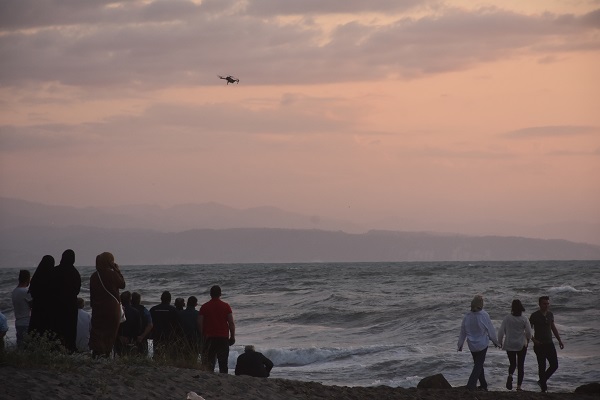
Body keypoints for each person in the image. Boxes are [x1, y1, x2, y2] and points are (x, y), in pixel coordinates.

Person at [457, 295, 500, 391]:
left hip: (472, 345)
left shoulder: (467, 316)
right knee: (478, 365)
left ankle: (483, 385)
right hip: (482, 344)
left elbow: (463, 332)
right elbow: (490, 330)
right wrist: (495, 341)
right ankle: (471, 385)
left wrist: (460, 345)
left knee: (478, 364)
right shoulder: (484, 315)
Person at [89, 252, 126, 357]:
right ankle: (106, 353)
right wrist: (117, 270)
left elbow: (92, 294)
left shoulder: (94, 276)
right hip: (111, 308)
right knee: (110, 331)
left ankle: (96, 352)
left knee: (97, 330)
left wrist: (93, 306)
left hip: (97, 307)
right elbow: (122, 284)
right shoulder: (112, 274)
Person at [530, 296, 564, 392]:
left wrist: (559, 340)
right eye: (544, 303)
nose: (546, 305)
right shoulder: (534, 315)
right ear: (540, 304)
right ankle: (543, 389)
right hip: (539, 345)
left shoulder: (550, 314)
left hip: (549, 343)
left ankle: (542, 381)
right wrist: (533, 340)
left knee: (554, 365)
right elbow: (527, 329)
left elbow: (553, 327)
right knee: (542, 366)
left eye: (547, 303)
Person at [198, 285, 236, 373]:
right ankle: (224, 380)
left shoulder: (204, 307)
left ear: (210, 294)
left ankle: (210, 379)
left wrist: (202, 334)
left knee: (209, 363)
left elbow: (199, 322)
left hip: (209, 338)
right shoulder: (226, 306)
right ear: (220, 294)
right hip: (223, 337)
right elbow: (231, 322)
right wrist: (232, 336)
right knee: (223, 363)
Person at [498, 299, 532, 391]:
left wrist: (499, 341)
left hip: (509, 344)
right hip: (521, 344)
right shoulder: (524, 319)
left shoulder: (507, 318)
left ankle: (510, 375)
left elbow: (501, 331)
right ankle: (519, 386)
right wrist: (528, 340)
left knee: (512, 364)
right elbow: (529, 332)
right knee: (521, 365)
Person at [53, 249, 81, 352]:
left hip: (56, 305)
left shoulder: (55, 271)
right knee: (70, 327)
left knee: (57, 327)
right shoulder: (75, 273)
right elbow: (77, 290)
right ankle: (70, 348)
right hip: (70, 305)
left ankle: (57, 348)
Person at [28, 255, 55, 339]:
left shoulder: (36, 278)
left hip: (37, 311)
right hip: (49, 312)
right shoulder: (52, 278)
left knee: (36, 334)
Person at [149, 291, 181, 360]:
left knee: (157, 354)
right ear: (170, 300)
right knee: (170, 356)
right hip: (169, 336)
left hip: (156, 335)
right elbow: (178, 324)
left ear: (161, 299)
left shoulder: (153, 309)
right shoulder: (173, 310)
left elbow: (149, 323)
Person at [115, 291, 142, 356]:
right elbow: (138, 328)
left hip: (119, 339)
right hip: (131, 340)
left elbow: (114, 326)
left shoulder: (117, 311)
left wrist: (119, 337)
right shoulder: (136, 312)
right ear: (130, 299)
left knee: (119, 358)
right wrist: (133, 338)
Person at [11, 269, 32, 348]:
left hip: (18, 323)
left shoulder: (15, 291)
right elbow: (33, 305)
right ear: (27, 279)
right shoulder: (25, 292)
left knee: (20, 347)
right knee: (27, 347)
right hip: (26, 323)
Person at [179, 296, 202, 362]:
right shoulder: (198, 314)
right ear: (196, 304)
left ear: (187, 303)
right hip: (194, 340)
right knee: (193, 358)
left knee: (183, 358)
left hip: (182, 339)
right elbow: (199, 327)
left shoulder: (180, 313)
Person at [131, 292, 153, 356]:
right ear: (139, 300)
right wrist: (142, 336)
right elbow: (150, 325)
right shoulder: (144, 310)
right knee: (143, 356)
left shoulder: (126, 310)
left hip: (129, 338)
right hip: (142, 337)